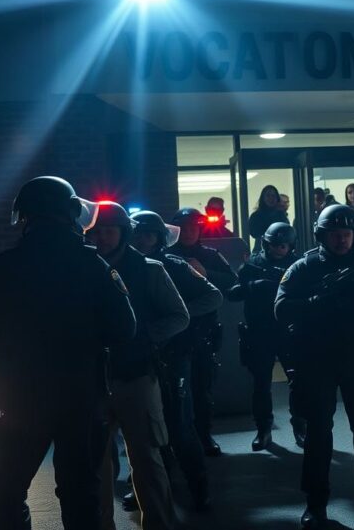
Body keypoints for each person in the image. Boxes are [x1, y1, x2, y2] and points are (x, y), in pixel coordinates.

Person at [0, 176, 136, 530]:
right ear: (70, 213)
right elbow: (125, 329)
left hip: (20, 398)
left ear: (25, 218)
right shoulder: (93, 266)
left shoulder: (5, 265)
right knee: (80, 492)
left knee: (6, 490)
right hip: (82, 396)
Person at [275, 205, 354, 528]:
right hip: (318, 362)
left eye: (347, 234)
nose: (342, 240)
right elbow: (281, 308)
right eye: (335, 234)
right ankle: (315, 504)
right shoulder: (303, 268)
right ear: (322, 235)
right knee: (319, 436)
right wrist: (314, 303)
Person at [86, 202, 189, 530]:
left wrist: (144, 337)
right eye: (97, 231)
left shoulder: (148, 269)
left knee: (146, 459)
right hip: (93, 380)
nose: (103, 237)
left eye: (109, 230)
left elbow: (179, 315)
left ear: (123, 233)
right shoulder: (83, 269)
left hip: (138, 377)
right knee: (97, 466)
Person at [131, 210, 222, 511]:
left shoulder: (174, 264)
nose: (143, 239)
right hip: (139, 356)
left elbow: (213, 297)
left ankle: (200, 487)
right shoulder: (122, 267)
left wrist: (178, 316)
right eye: (138, 233)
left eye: (149, 233)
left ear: (159, 237)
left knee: (180, 426)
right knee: (143, 429)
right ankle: (150, 486)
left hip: (175, 353)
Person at [228, 222, 306, 451]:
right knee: (261, 383)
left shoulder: (297, 265)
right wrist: (253, 286)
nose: (278, 250)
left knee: (298, 381)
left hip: (288, 330)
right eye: (274, 245)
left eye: (282, 246)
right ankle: (264, 429)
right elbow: (233, 292)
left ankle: (300, 427)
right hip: (260, 330)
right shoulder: (253, 265)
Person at [168, 207, 238, 456]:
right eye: (184, 228)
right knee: (174, 393)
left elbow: (232, 281)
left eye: (193, 228)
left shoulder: (209, 255)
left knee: (202, 388)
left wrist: (207, 273)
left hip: (203, 331)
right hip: (172, 334)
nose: (188, 233)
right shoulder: (166, 255)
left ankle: (204, 436)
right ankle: (175, 442)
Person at [248, 185, 290, 253]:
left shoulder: (281, 215)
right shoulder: (256, 216)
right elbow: (254, 233)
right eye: (268, 195)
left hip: (281, 252)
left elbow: (287, 233)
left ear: (277, 198)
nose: (271, 198)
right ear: (263, 198)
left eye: (273, 196)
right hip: (261, 251)